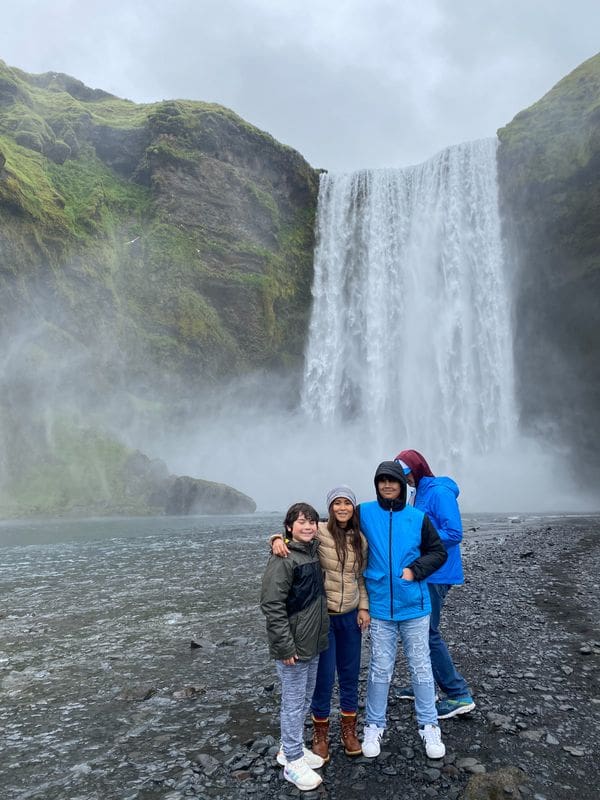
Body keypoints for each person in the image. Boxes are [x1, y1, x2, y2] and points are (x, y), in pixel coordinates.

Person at [271, 487, 370, 761]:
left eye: (346, 503)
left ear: (353, 508)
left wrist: (364, 607)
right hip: (322, 619)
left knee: (350, 676)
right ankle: (320, 734)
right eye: (336, 503)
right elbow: (296, 538)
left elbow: (360, 577)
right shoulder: (320, 532)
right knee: (323, 680)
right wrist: (277, 538)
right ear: (330, 508)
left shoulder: (360, 539)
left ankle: (349, 731)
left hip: (350, 616)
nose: (341, 508)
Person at [360, 460, 448, 760]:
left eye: (392, 480)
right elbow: (328, 528)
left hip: (415, 606)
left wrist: (414, 571)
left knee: (421, 666)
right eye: (382, 480)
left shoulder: (418, 517)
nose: (387, 485)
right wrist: (282, 537)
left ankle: (429, 724)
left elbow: (438, 551)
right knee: (380, 669)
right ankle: (374, 724)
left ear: (401, 484)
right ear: (377, 484)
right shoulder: (364, 513)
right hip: (381, 607)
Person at [394, 449, 475, 720]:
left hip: (438, 573)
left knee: (427, 633)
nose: (405, 481)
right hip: (426, 572)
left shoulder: (439, 492)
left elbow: (454, 533)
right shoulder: (421, 492)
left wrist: (417, 535)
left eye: (407, 475)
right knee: (420, 631)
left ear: (417, 469)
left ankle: (458, 694)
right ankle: (424, 686)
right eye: (403, 477)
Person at [260, 502, 330, 791]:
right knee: (292, 703)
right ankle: (292, 761)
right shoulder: (284, 558)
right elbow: (271, 605)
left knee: (303, 698)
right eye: (301, 521)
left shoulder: (311, 551)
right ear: (289, 526)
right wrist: (285, 647)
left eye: (311, 521)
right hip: (294, 646)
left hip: (311, 642)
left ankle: (289, 748)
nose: (308, 526)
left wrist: (276, 538)